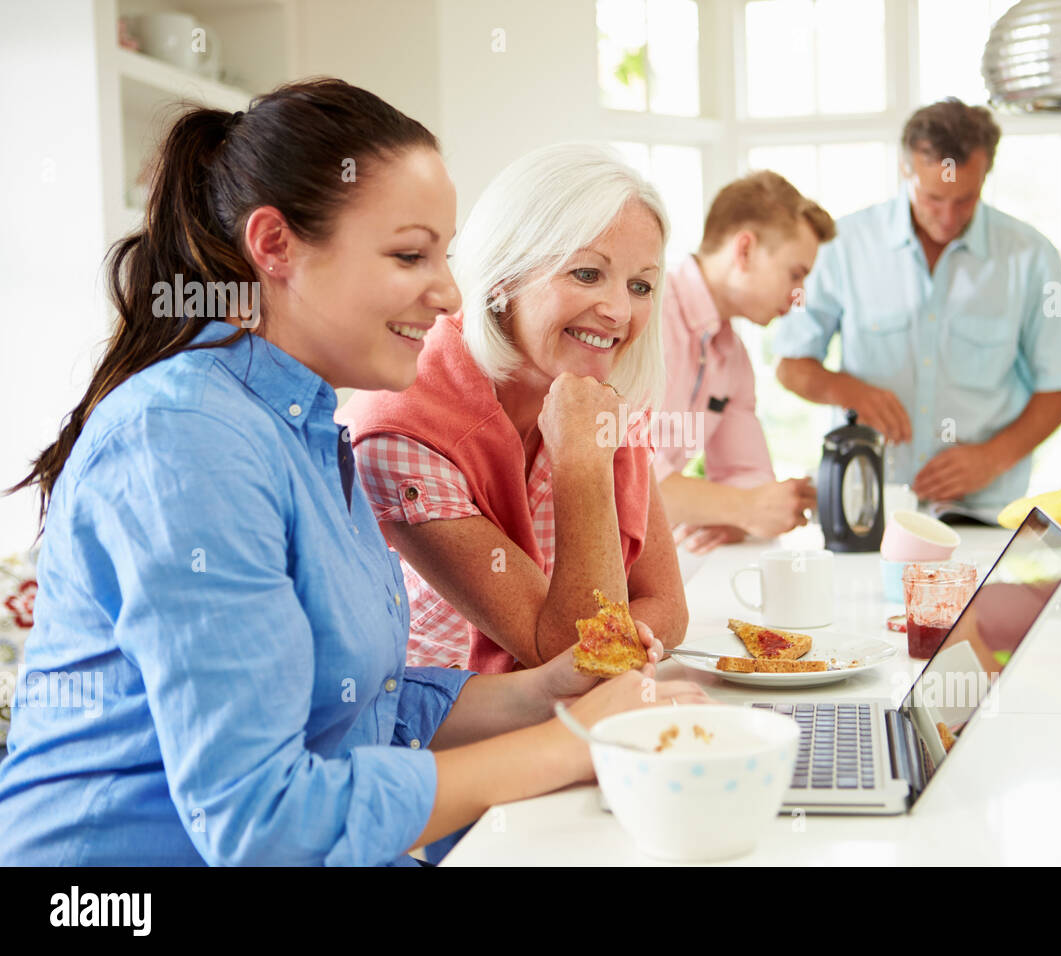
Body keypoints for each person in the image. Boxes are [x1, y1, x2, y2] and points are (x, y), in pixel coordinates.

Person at [0, 80, 707, 866]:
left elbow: (365, 707)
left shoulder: (302, 429)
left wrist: (545, 693)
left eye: (442, 255)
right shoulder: (183, 440)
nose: (447, 295)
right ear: (275, 248)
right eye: (411, 255)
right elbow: (266, 823)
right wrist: (571, 745)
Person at [342, 144, 688, 672]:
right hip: (440, 730)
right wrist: (582, 461)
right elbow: (570, 654)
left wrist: (622, 640)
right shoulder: (401, 430)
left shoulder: (595, 394)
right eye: (588, 274)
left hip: (558, 715)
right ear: (505, 278)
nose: (619, 311)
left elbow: (667, 606)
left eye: (640, 285)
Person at [773, 99, 1061, 514]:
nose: (947, 216)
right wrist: (848, 390)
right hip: (869, 508)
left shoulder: (1031, 256)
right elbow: (791, 365)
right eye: (934, 197)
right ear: (906, 169)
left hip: (984, 513)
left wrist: (993, 457)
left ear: (985, 174)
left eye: (965, 199)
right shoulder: (842, 246)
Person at [656, 171, 832, 555]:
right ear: (745, 250)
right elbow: (620, 480)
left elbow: (749, 478)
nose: (799, 294)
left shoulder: (733, 358)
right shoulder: (643, 314)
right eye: (796, 274)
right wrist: (743, 508)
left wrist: (752, 508)